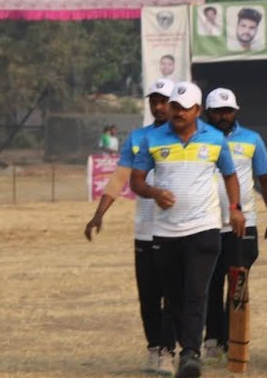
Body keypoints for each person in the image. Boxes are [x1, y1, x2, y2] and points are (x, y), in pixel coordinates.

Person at [129, 82, 246, 378]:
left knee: (196, 293)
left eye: (183, 108)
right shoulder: (153, 139)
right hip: (165, 233)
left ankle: (190, 355)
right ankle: (168, 350)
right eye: (173, 107)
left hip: (204, 229)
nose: (176, 112)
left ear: (196, 110)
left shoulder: (216, 139)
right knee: (173, 297)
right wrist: (154, 193)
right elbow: (137, 181)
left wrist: (234, 210)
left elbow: (231, 177)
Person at [84, 79, 176, 375]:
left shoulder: (186, 135)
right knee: (148, 296)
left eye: (163, 100)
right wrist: (99, 214)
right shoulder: (138, 137)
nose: (158, 106)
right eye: (154, 100)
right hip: (145, 231)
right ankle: (153, 348)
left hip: (176, 231)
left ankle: (168, 350)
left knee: (172, 295)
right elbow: (119, 178)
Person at [201, 88, 267, 362]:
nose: (224, 117)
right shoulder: (199, 137)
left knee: (238, 284)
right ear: (207, 112)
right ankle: (212, 339)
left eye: (228, 111)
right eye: (218, 112)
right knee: (210, 285)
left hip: (241, 225)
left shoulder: (251, 139)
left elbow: (266, 179)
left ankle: (234, 342)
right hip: (207, 224)